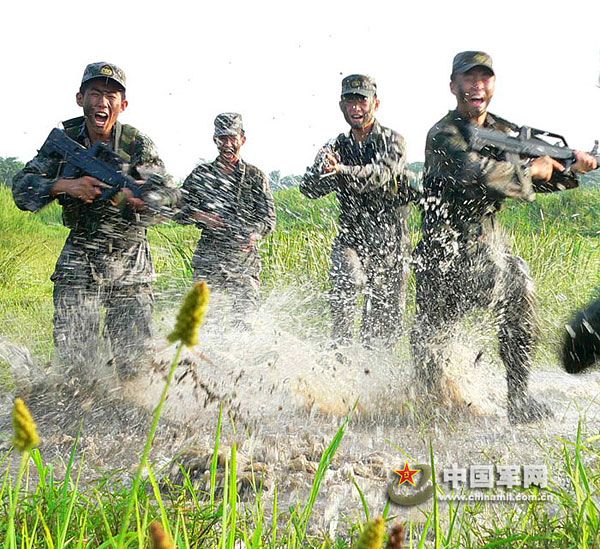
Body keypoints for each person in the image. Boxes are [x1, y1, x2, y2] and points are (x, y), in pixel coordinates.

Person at [412, 51, 597, 423]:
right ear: (453, 86)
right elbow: (476, 172)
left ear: (492, 85)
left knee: (520, 286)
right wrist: (533, 169)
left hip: (486, 251)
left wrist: (572, 168)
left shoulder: (503, 132)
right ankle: (424, 401)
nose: (476, 85)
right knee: (431, 347)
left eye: (484, 77)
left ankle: (519, 397)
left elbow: (540, 176)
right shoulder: (442, 134)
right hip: (441, 253)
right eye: (468, 78)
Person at [12, 61, 178, 380]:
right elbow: (22, 190)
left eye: (111, 96)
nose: (102, 102)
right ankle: (80, 407)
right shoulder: (64, 142)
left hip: (128, 254)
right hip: (81, 252)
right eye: (95, 93)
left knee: (135, 362)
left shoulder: (136, 144)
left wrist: (144, 199)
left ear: (123, 105)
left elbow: (170, 196)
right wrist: (66, 186)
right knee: (76, 357)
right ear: (80, 98)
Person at [300, 74, 418, 348]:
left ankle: (371, 378)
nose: (356, 108)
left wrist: (342, 170)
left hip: (391, 241)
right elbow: (309, 190)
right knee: (347, 279)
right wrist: (322, 167)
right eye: (349, 102)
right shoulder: (336, 147)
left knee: (383, 331)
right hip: (352, 238)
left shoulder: (393, 141)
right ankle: (339, 357)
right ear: (342, 106)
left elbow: (379, 174)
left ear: (375, 104)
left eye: (361, 101)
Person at [175, 113, 275, 322]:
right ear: (215, 140)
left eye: (232, 138)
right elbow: (176, 209)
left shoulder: (255, 176)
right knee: (204, 321)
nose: (227, 144)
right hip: (209, 260)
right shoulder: (201, 175)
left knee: (246, 322)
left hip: (243, 261)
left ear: (242, 139)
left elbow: (269, 219)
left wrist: (253, 235)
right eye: (222, 138)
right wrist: (201, 216)